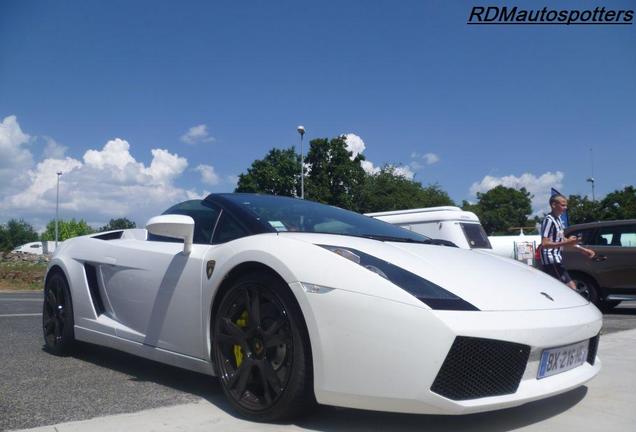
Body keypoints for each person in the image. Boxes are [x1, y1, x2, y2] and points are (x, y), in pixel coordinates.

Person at [540, 194, 595, 290]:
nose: (565, 208)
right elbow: (544, 244)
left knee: (566, 289)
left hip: (556, 260)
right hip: (551, 260)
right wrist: (567, 243)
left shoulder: (558, 220)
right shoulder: (549, 220)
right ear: (553, 205)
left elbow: (562, 240)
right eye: (563, 205)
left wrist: (582, 249)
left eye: (565, 205)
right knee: (570, 289)